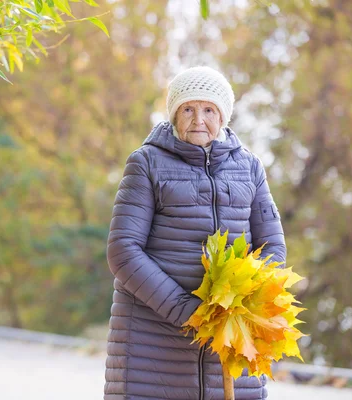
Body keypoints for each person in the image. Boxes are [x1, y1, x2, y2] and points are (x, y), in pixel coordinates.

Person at [104, 66, 286, 400]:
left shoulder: (250, 166)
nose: (198, 120)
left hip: (231, 335)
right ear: (174, 114)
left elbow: (272, 243)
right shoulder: (146, 163)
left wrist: (245, 303)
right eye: (188, 109)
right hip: (153, 339)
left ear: (224, 116)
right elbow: (123, 250)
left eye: (209, 110)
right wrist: (188, 311)